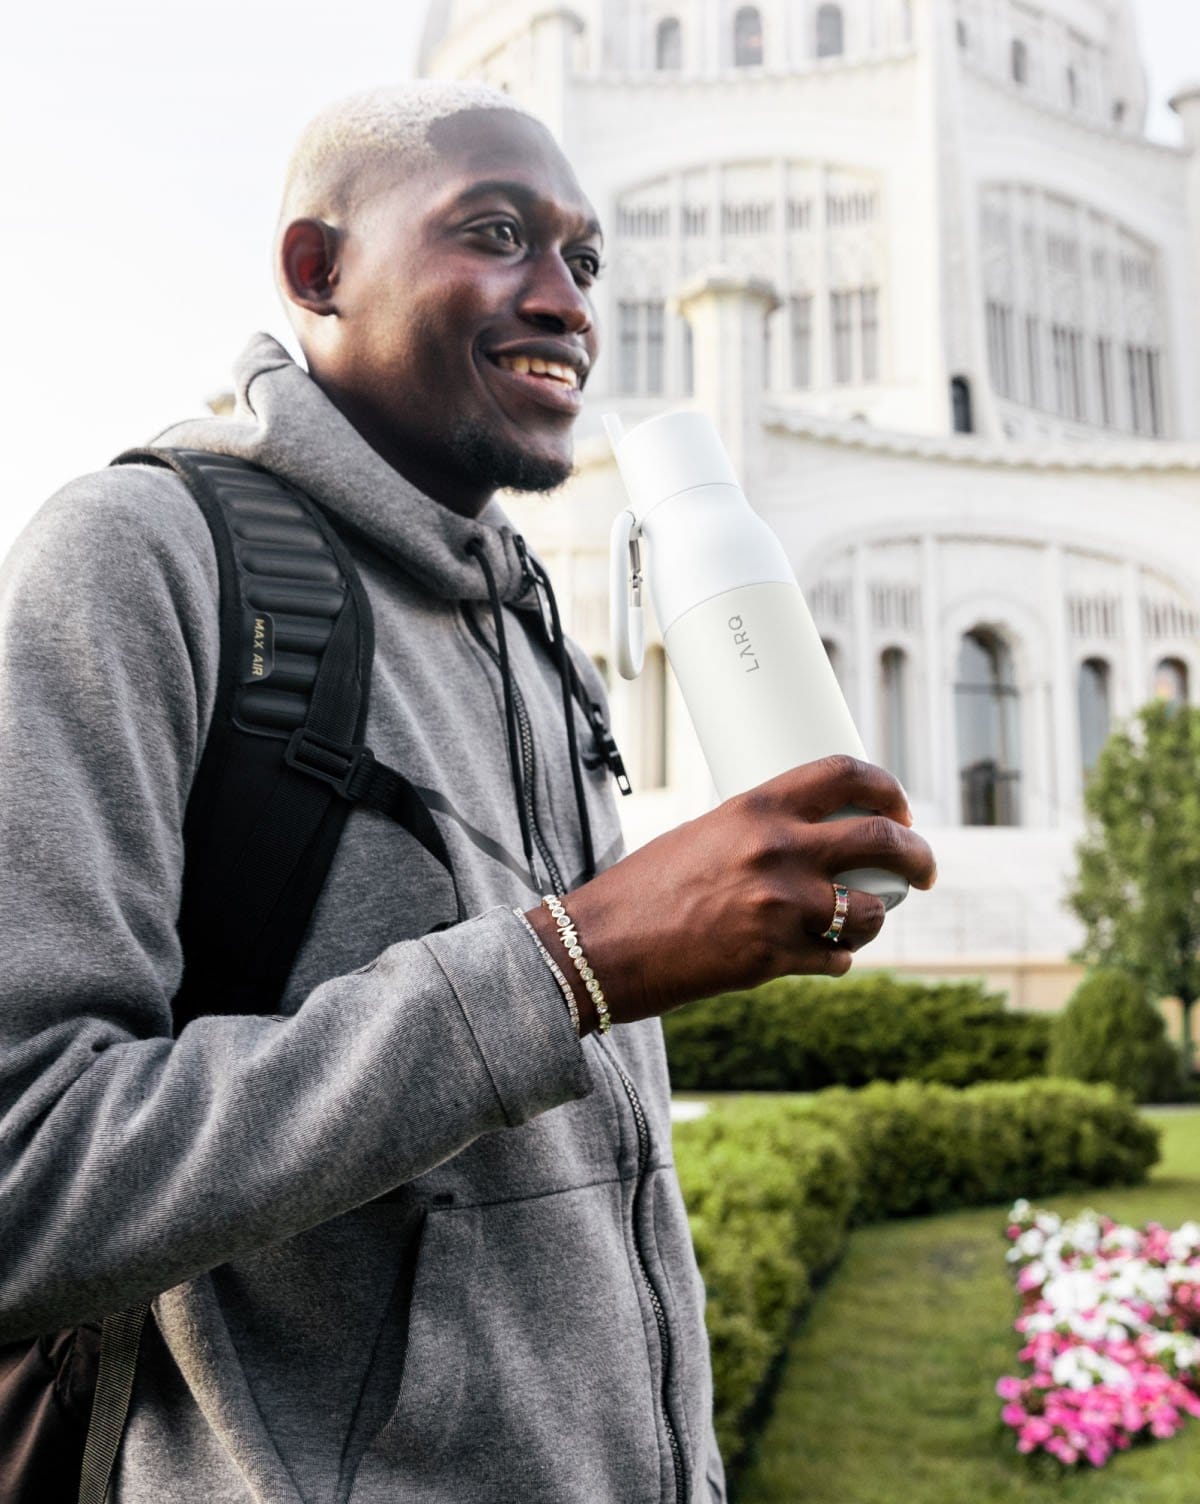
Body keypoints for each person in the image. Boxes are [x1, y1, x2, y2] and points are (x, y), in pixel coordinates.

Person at [0, 81, 935, 1502]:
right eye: (497, 234)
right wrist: (577, 962)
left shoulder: (534, 623)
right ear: (319, 270)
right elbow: (29, 1177)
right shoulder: (141, 557)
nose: (564, 299)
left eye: (586, 259)